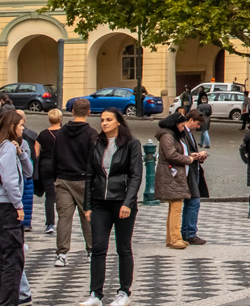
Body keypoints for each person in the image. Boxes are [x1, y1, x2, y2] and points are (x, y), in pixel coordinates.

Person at [79, 108, 143, 306]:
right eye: (102, 120)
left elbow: (136, 175)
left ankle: (124, 292)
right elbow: (90, 175)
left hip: (122, 202)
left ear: (118, 122)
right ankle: (95, 295)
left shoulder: (132, 144)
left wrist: (128, 202)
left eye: (108, 120)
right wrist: (87, 205)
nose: (104, 123)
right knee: (98, 248)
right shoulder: (96, 143)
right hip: (99, 203)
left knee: (123, 248)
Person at [54, 97, 98, 267]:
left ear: (72, 111)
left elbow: (55, 156)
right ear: (88, 112)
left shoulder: (62, 132)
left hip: (63, 178)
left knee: (64, 218)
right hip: (83, 179)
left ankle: (62, 254)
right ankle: (92, 250)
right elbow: (95, 159)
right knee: (87, 216)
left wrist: (54, 176)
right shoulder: (91, 133)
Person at [0, 109, 30, 306]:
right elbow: (10, 180)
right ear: (12, 127)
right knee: (13, 259)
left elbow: (28, 170)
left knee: (3, 258)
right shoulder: (7, 149)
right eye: (21, 125)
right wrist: (18, 205)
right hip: (7, 207)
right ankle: (9, 301)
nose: (23, 128)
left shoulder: (7, 147)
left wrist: (22, 153)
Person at [154, 111, 196, 249]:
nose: (183, 128)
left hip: (175, 174)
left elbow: (177, 152)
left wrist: (191, 155)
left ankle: (171, 238)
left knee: (175, 207)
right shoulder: (167, 135)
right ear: (176, 124)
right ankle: (175, 238)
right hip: (171, 174)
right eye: (182, 126)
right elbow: (171, 154)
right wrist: (188, 159)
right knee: (176, 207)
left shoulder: (172, 135)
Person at [178, 110, 210, 244]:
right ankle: (189, 232)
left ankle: (187, 231)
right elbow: (182, 152)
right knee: (193, 202)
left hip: (194, 170)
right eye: (197, 124)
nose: (198, 127)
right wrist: (196, 155)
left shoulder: (189, 134)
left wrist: (199, 157)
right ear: (190, 120)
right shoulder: (182, 133)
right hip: (188, 172)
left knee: (192, 202)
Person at [34, 108, 62, 235]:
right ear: (60, 119)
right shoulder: (64, 133)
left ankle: (50, 223)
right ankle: (64, 221)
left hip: (46, 166)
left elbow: (36, 153)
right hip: (61, 166)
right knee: (63, 195)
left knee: (49, 196)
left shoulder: (42, 134)